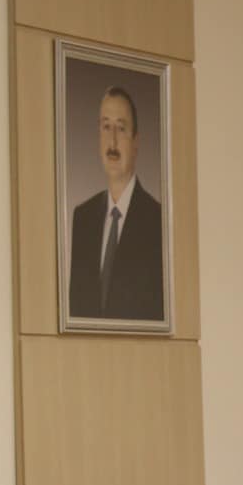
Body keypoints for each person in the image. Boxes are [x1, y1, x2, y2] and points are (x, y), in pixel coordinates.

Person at [68, 86, 164, 321]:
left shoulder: (158, 222)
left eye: (121, 129)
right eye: (106, 127)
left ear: (136, 141)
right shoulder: (82, 218)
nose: (112, 141)